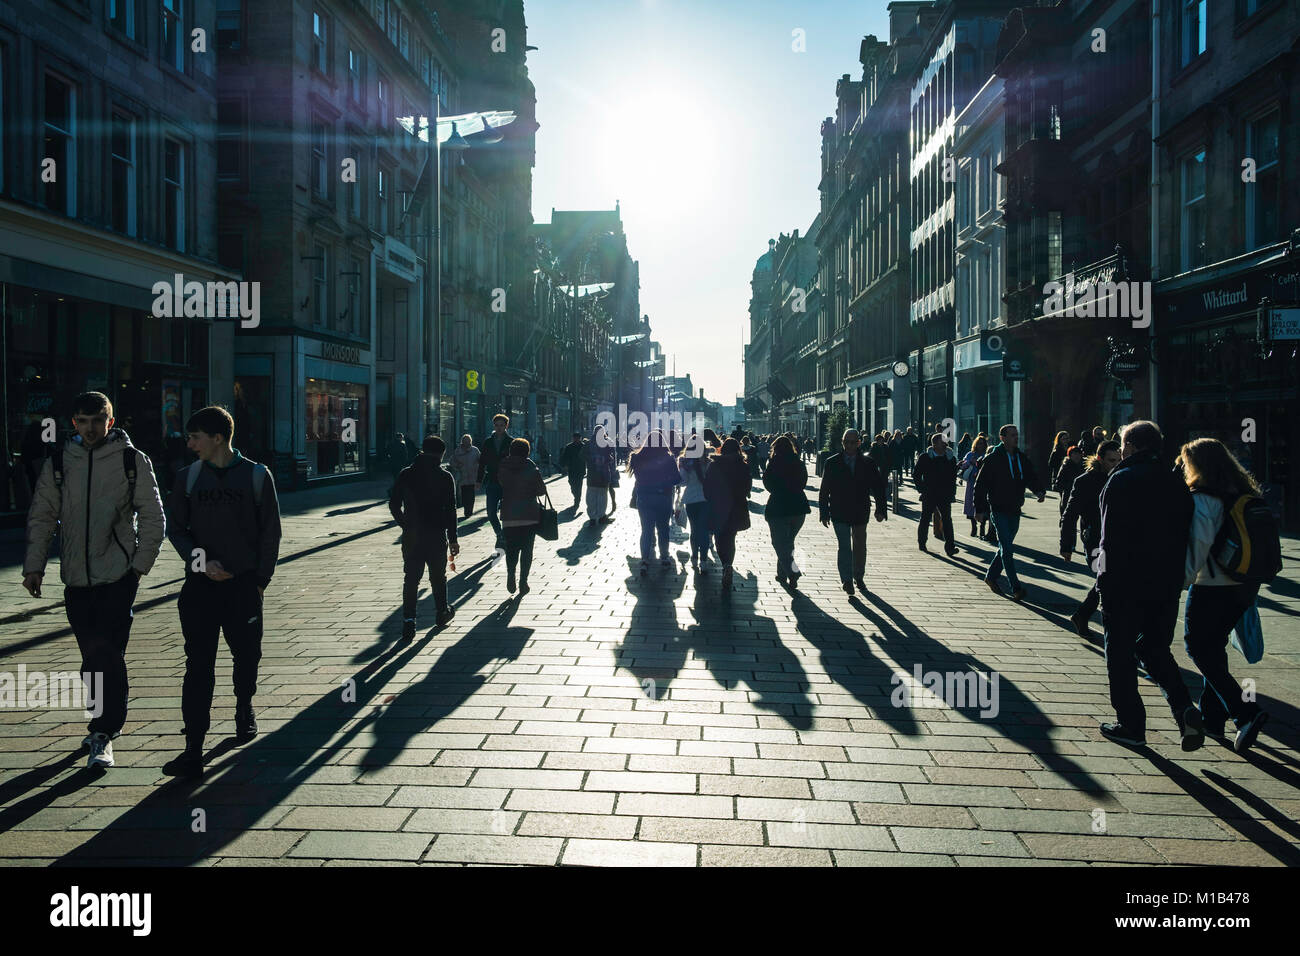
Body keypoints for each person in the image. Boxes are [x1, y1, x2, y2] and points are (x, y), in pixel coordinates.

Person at [22, 392, 165, 770]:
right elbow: (42, 515)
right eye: (82, 421)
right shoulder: (59, 461)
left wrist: (138, 567)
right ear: (73, 422)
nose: (90, 428)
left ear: (110, 421)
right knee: (92, 659)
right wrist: (34, 565)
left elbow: (153, 517)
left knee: (106, 655)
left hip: (118, 576)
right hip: (76, 579)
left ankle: (103, 732)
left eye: (97, 421)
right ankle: (102, 721)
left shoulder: (130, 460)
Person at [165, 406, 282, 777]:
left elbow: (271, 532)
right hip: (199, 589)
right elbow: (177, 530)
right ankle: (193, 748)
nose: (189, 443)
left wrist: (260, 581)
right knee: (198, 665)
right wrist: (200, 561)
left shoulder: (257, 476)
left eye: (195, 437)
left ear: (217, 438)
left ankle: (244, 704)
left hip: (243, 587)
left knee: (247, 655)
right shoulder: (187, 478)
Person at [1094, 420, 1201, 750]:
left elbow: (1108, 540)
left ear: (1135, 446)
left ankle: (1131, 724)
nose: (1121, 449)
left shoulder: (1121, 479)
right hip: (1165, 584)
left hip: (1125, 584)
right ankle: (1184, 708)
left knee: (1120, 653)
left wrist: (1103, 580)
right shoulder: (1177, 484)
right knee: (1154, 648)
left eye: (1124, 444)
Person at [1178, 438, 1270, 753]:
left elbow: (1199, 545)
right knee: (1214, 647)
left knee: (1197, 648)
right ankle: (1212, 718)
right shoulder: (1242, 493)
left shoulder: (1204, 498)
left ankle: (1245, 712)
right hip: (1243, 587)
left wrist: (1183, 580)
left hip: (1211, 586)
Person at [391, 435, 460, 639]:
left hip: (412, 536)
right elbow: (451, 510)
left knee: (411, 579)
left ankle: (409, 621)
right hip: (436, 534)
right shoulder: (445, 477)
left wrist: (406, 525)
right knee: (438, 577)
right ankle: (441, 612)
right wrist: (453, 538)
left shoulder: (406, 474)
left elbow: (394, 504)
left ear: (422, 450)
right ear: (441, 454)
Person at [973, 423, 1046, 601]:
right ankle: (1016, 587)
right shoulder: (993, 458)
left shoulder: (1020, 457)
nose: (1016, 437)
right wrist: (979, 509)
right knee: (1007, 548)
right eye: (1012, 435)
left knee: (1005, 547)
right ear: (1002, 438)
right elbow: (980, 485)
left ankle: (991, 576)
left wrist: (1038, 490)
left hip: (1015, 508)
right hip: (998, 509)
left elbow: (1030, 476)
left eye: (1016, 435)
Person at [1060, 439, 1121, 636]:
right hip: (1094, 540)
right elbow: (1069, 515)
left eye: (1118, 460)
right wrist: (1066, 545)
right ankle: (1087, 617)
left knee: (1105, 582)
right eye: (1111, 460)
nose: (1115, 464)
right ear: (1100, 458)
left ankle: (1082, 616)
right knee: (1104, 581)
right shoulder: (1084, 481)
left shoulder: (1120, 479)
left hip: (1116, 541)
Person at [818, 429, 889, 597]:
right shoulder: (832, 462)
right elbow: (824, 489)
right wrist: (824, 512)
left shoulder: (868, 463)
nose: (849, 446)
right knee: (844, 547)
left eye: (852, 442)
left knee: (859, 545)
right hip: (839, 510)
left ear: (858, 443)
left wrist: (881, 509)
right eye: (846, 442)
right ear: (842, 443)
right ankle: (847, 580)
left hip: (860, 510)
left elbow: (878, 487)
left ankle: (859, 576)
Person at [497, 437, 547, 595]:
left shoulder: (503, 466)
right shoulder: (531, 467)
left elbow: (500, 484)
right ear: (527, 451)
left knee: (511, 549)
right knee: (527, 550)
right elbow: (541, 491)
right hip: (529, 515)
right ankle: (523, 581)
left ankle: (511, 574)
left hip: (509, 515)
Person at [629, 430, 682, 576]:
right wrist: (664, 482)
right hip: (663, 497)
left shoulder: (637, 457)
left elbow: (638, 477)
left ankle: (645, 560)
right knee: (663, 529)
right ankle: (664, 558)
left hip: (644, 497)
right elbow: (677, 479)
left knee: (646, 530)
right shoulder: (668, 458)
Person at [704, 438, 751, 594]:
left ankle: (725, 565)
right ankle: (728, 565)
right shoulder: (743, 466)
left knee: (719, 537)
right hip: (736, 507)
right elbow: (747, 487)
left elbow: (707, 487)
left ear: (722, 449)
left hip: (718, 507)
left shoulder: (714, 465)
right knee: (730, 537)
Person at [763, 436, 810, 587]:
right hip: (798, 508)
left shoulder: (774, 463)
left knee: (779, 542)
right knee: (787, 542)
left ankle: (792, 572)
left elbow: (767, 483)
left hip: (778, 507)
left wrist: (779, 490)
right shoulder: (799, 463)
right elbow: (803, 483)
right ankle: (782, 574)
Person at [913, 431, 959, 557]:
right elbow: (916, 474)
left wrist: (952, 492)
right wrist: (922, 489)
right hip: (930, 493)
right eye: (942, 442)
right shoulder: (925, 457)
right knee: (925, 518)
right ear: (934, 444)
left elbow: (952, 476)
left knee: (947, 520)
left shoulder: (950, 457)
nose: (945, 444)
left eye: (946, 442)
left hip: (945, 494)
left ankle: (950, 547)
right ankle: (922, 542)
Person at [678, 433, 712, 572]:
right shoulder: (709, 462)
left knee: (694, 530)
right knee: (704, 531)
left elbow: (683, 482)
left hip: (691, 500)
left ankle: (694, 557)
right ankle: (703, 561)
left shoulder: (686, 463)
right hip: (705, 500)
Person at [477, 413, 513, 547]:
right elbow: (482, 462)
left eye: (501, 425)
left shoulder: (511, 442)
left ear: (506, 426)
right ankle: (499, 533)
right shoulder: (488, 442)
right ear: (494, 426)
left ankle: (505, 536)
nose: (499, 428)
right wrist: (479, 480)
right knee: (491, 512)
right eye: (497, 425)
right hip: (492, 481)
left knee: (507, 513)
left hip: (507, 483)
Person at [960, 434, 990, 538]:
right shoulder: (970, 454)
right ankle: (974, 526)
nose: (980, 446)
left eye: (982, 444)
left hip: (984, 483)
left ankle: (982, 526)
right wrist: (969, 462)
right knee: (971, 505)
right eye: (979, 444)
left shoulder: (987, 455)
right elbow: (963, 465)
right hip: (972, 482)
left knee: (983, 504)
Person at [585, 426, 616, 524]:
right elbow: (611, 458)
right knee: (602, 496)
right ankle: (601, 516)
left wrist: (591, 460)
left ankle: (592, 518)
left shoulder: (588, 443)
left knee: (591, 496)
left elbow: (581, 455)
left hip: (592, 475)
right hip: (604, 474)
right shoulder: (607, 443)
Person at [448, 435, 480, 519]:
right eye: (465, 441)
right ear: (462, 441)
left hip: (472, 476)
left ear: (470, 441)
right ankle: (467, 510)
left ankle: (469, 511)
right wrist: (457, 466)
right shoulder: (458, 451)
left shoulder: (475, 450)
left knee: (471, 495)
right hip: (463, 477)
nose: (467, 442)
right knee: (464, 495)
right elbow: (451, 461)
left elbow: (480, 460)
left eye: (468, 441)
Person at [1053, 445, 1086, 516]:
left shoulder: (1084, 466)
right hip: (1068, 494)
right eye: (1074, 454)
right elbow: (1059, 482)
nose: (1077, 456)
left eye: (1078, 454)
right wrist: (1067, 487)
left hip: (1082, 494)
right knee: (1068, 515)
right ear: (1070, 456)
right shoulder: (1066, 466)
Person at [558, 431, 587, 510]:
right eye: (575, 438)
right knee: (572, 484)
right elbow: (564, 457)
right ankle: (576, 495)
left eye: (578, 438)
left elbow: (587, 457)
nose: (576, 439)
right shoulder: (569, 447)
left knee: (579, 485)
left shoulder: (583, 446)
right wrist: (564, 466)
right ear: (573, 438)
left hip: (580, 469)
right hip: (571, 469)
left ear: (580, 438)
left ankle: (577, 500)